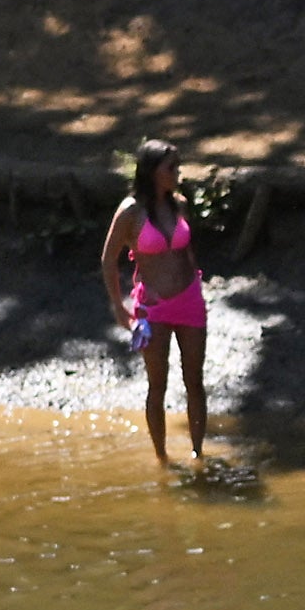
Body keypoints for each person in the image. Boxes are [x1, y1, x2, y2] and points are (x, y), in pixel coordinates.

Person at [97, 138, 212, 468]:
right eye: (171, 167)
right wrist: (119, 307)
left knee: (195, 381)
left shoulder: (180, 205)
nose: (178, 173)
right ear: (151, 171)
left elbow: (187, 253)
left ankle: (197, 455)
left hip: (189, 302)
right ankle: (162, 458)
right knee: (157, 385)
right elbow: (108, 260)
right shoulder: (130, 212)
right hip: (152, 309)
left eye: (178, 166)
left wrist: (198, 288)